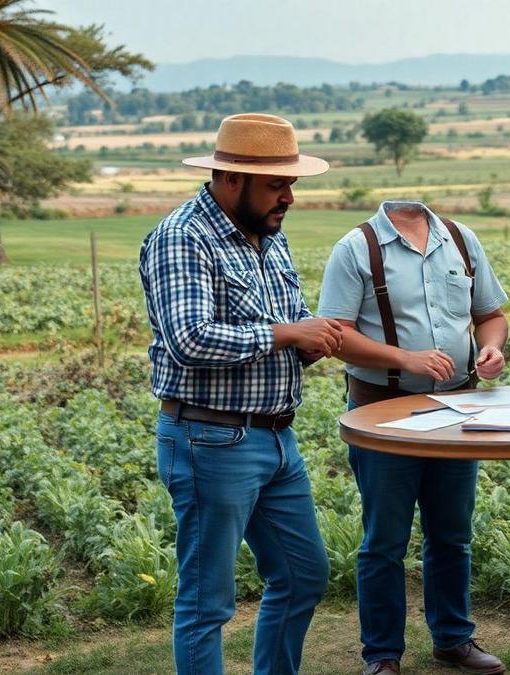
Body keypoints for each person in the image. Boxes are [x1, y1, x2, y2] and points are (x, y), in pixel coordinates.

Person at [139, 113, 343, 675]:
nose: (288, 198)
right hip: (210, 438)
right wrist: (286, 334)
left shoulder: (269, 237)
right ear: (231, 179)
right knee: (207, 603)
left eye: (291, 185)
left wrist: (309, 337)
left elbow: (289, 316)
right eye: (277, 186)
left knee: (303, 574)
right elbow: (189, 338)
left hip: (277, 438)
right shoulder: (183, 237)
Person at [318, 200, 510, 675]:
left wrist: (491, 347)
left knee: (452, 532)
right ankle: (382, 654)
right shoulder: (356, 247)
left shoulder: (460, 238)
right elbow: (334, 334)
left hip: (457, 408)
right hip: (382, 410)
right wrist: (406, 359)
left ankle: (453, 639)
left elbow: (491, 314)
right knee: (384, 539)